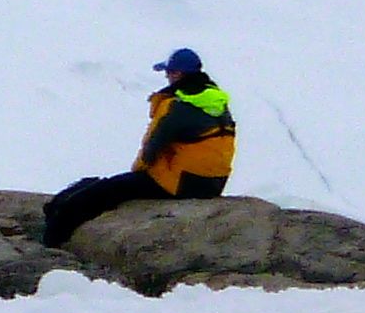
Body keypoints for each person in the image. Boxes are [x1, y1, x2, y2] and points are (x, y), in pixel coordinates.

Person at [40, 49, 239, 247]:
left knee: (102, 191)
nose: (167, 77)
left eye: (168, 72)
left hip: (180, 184)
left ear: (178, 73)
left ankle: (52, 239)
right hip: (213, 184)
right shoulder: (217, 103)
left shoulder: (176, 105)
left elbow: (151, 149)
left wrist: (137, 175)